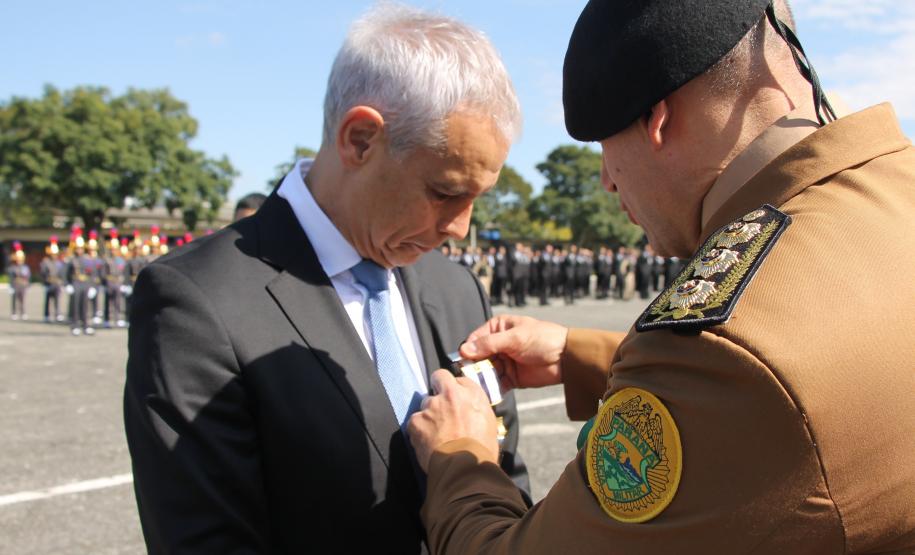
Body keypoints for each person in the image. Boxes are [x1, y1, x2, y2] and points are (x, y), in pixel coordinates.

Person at [406, 0, 915, 552]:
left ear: (657, 119)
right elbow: (820, 366)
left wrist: (462, 455)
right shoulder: (894, 185)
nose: (607, 181)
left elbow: (751, 372)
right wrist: (581, 356)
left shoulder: (722, 344)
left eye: (604, 147)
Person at [123, 5, 529, 553]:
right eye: (444, 191)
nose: (461, 228)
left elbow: (508, 486)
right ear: (360, 139)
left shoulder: (454, 289)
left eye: (478, 197)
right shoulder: (198, 302)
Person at [40, 236, 65, 322]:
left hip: (57, 283)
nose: (54, 256)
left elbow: (62, 273)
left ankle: (57, 314)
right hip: (49, 283)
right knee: (47, 300)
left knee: (57, 300)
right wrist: (44, 283)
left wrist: (62, 283)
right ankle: (46, 315)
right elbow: (43, 273)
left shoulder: (59, 263)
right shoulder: (45, 262)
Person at [8, 242, 30, 320]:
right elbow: (11, 277)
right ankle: (14, 313)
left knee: (23, 300)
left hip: (23, 285)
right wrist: (10, 286)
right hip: (15, 284)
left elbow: (27, 277)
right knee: (14, 300)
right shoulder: (12, 267)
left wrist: (27, 285)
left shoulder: (25, 267)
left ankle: (23, 312)